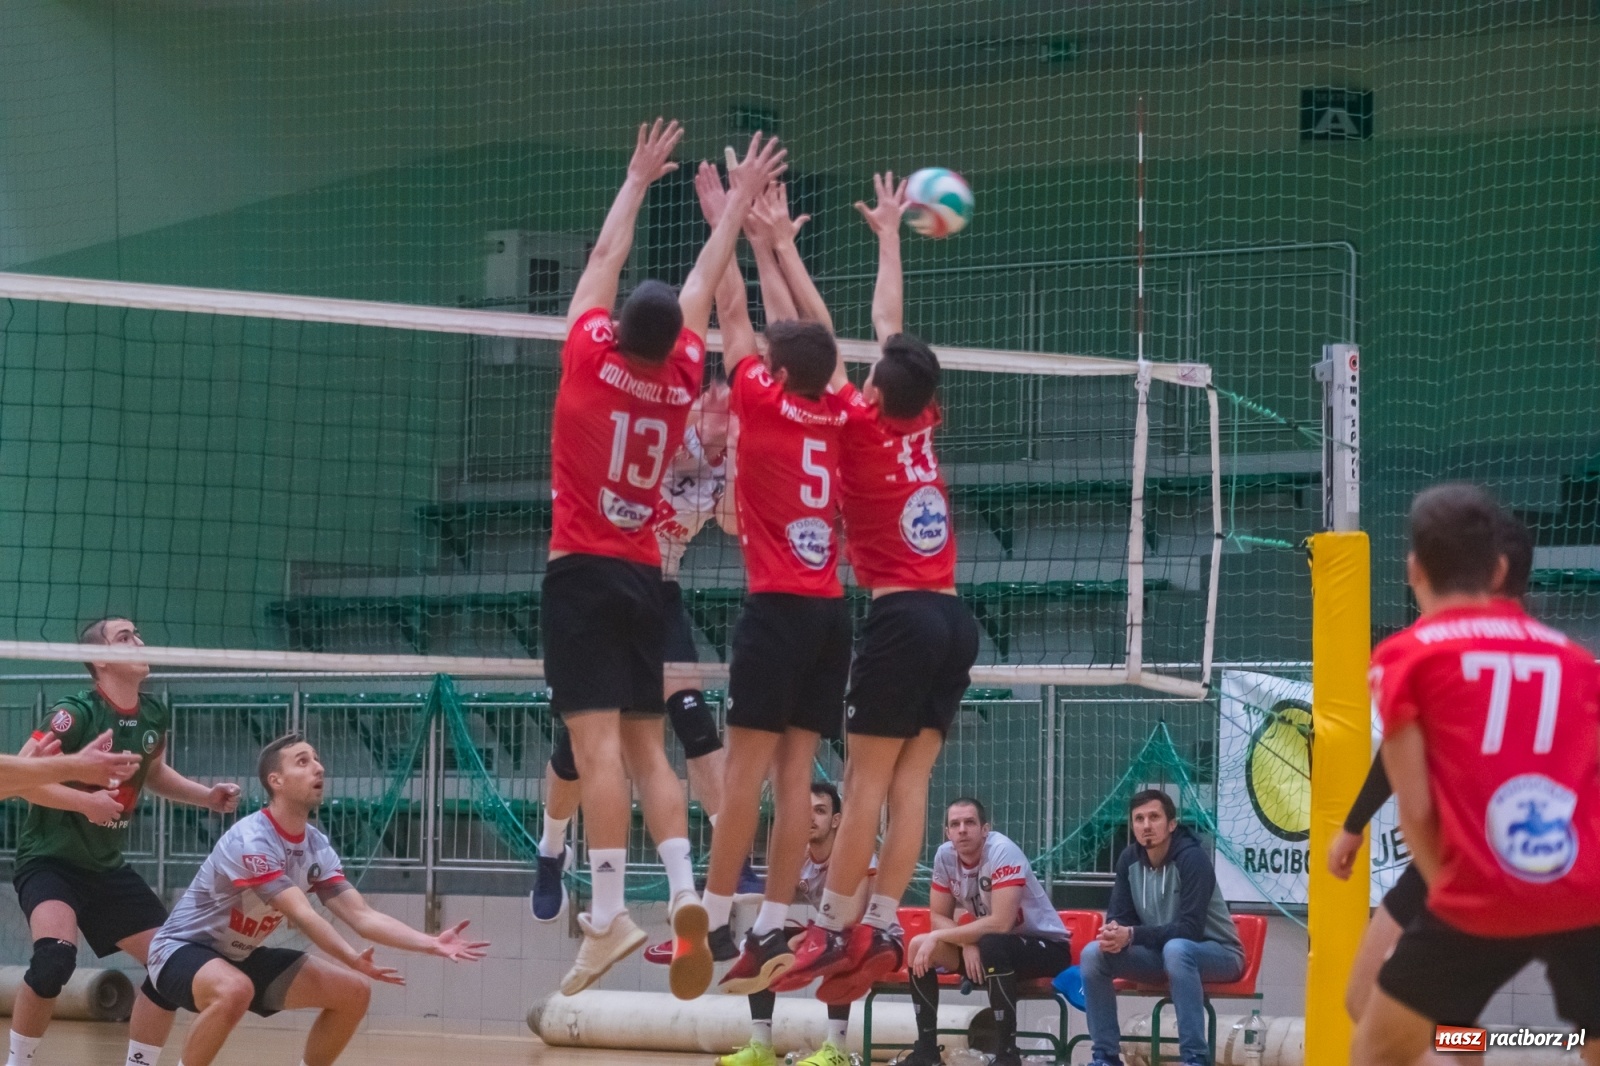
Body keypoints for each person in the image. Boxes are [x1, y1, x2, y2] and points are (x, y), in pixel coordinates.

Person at [541, 118, 785, 999]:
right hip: (648, 576)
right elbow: (704, 285)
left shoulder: (585, 360)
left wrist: (640, 176)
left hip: (581, 571)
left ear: (613, 330)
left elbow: (609, 250)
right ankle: (683, 886)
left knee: (594, 746)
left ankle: (607, 912)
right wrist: (733, 213)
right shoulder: (683, 373)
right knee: (650, 750)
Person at [779, 172, 979, 1008]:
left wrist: (783, 247)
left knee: (864, 783)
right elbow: (888, 329)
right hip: (954, 618)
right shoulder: (920, 415)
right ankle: (887, 924)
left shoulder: (857, 426)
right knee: (911, 785)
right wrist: (891, 234)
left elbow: (824, 334)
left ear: (873, 390)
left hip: (899, 615)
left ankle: (831, 921)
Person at [1354, 485, 1600, 1065]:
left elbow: (1415, 809)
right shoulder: (1575, 658)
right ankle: (1473, 1049)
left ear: (1413, 569)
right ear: (1497, 569)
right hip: (1581, 884)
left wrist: (1447, 892)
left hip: (1479, 885)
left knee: (1374, 1044)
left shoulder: (1406, 656)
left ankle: (1473, 1049)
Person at [684, 165, 853, 1001]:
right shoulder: (843, 406)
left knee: (743, 773)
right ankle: (778, 918)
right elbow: (812, 332)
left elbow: (735, 313)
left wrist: (726, 227)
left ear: (776, 374)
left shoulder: (761, 397)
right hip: (831, 613)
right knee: (795, 781)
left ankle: (716, 917)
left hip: (779, 610)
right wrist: (770, 238)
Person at [532, 378, 760, 925]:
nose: (717, 414)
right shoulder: (663, 431)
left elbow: (734, 523)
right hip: (599, 581)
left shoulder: (727, 467)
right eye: (713, 402)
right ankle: (551, 848)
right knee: (580, 749)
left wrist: (733, 451)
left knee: (692, 718)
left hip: (661, 592)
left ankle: (733, 861)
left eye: (729, 412)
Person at [146, 734, 488, 1066]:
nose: (319, 768)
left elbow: (362, 916)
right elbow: (304, 915)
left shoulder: (315, 844)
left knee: (354, 993)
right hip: (179, 951)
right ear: (275, 781)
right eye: (303, 761)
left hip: (240, 955)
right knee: (235, 989)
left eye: (318, 759)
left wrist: (430, 943)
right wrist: (352, 957)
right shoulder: (252, 839)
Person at [6, 618, 243, 1066]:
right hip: (51, 861)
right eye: (124, 637)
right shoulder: (73, 713)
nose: (138, 641)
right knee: (55, 960)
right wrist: (83, 801)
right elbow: (19, 778)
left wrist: (205, 796)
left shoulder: (153, 714)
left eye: (137, 634)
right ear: (101, 660)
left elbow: (153, 776)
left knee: (171, 965)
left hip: (106, 868)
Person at [1326, 506, 1533, 1021]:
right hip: (1473, 857)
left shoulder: (1436, 652)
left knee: (1383, 1011)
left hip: (1483, 861)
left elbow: (1410, 776)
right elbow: (1402, 748)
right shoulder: (1551, 657)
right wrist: (1355, 825)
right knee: (1377, 1005)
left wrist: (1356, 827)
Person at [1078, 790, 1245, 1066]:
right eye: (1139, 819)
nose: (1146, 825)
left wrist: (1131, 935)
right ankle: (1105, 1056)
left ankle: (1195, 1058)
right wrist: (1113, 934)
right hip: (1163, 956)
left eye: (1154, 817)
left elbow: (1189, 929)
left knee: (1178, 949)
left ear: (1171, 824)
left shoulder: (1193, 859)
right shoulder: (1128, 860)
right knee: (1093, 953)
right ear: (1132, 826)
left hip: (1219, 954)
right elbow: (1119, 917)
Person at [900, 799, 1070, 1066]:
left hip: (1047, 947)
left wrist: (962, 939)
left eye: (969, 822)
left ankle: (1006, 1055)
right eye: (955, 824)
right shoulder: (945, 856)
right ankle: (926, 1052)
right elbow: (938, 918)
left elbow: (1001, 923)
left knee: (991, 943)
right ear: (947, 832)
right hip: (990, 948)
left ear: (985, 829)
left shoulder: (1002, 851)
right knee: (919, 945)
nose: (962, 830)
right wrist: (967, 944)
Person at [718, 782, 870, 1066]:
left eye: (820, 811)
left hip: (876, 938)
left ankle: (836, 1051)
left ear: (836, 820)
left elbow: (851, 916)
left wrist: (809, 937)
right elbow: (776, 901)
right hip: (830, 930)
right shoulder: (802, 854)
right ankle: (761, 1047)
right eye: (805, 811)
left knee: (836, 943)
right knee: (762, 939)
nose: (810, 818)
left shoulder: (852, 852)